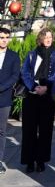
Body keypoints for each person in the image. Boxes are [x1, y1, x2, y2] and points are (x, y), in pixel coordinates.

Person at [20, 27, 55, 173]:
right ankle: (29, 161)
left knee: (45, 131)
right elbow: (24, 72)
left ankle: (41, 160)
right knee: (29, 130)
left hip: (48, 95)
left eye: (50, 37)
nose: (48, 39)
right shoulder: (32, 54)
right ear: (40, 38)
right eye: (45, 37)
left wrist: (46, 86)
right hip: (32, 95)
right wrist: (33, 86)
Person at [0, 26, 20, 174]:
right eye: (2, 37)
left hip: (4, 98)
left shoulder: (14, 56)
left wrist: (1, 87)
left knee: (1, 131)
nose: (4, 40)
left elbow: (15, 76)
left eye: (7, 38)